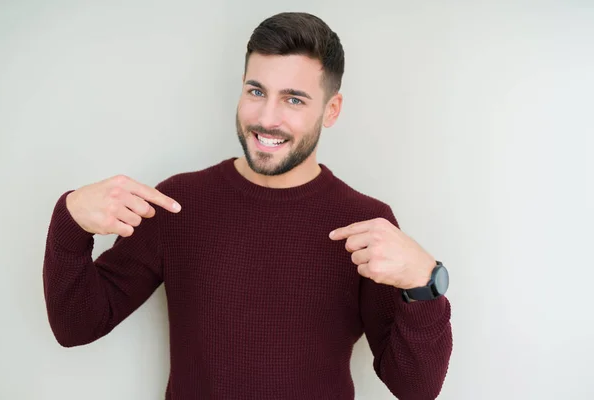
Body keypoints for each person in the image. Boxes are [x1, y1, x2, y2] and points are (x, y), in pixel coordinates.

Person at [43, 11, 452, 400]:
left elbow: (415, 387)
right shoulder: (178, 204)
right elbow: (76, 325)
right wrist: (71, 220)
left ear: (331, 111)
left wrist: (424, 285)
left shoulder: (365, 223)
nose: (267, 118)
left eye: (293, 100)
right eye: (256, 92)